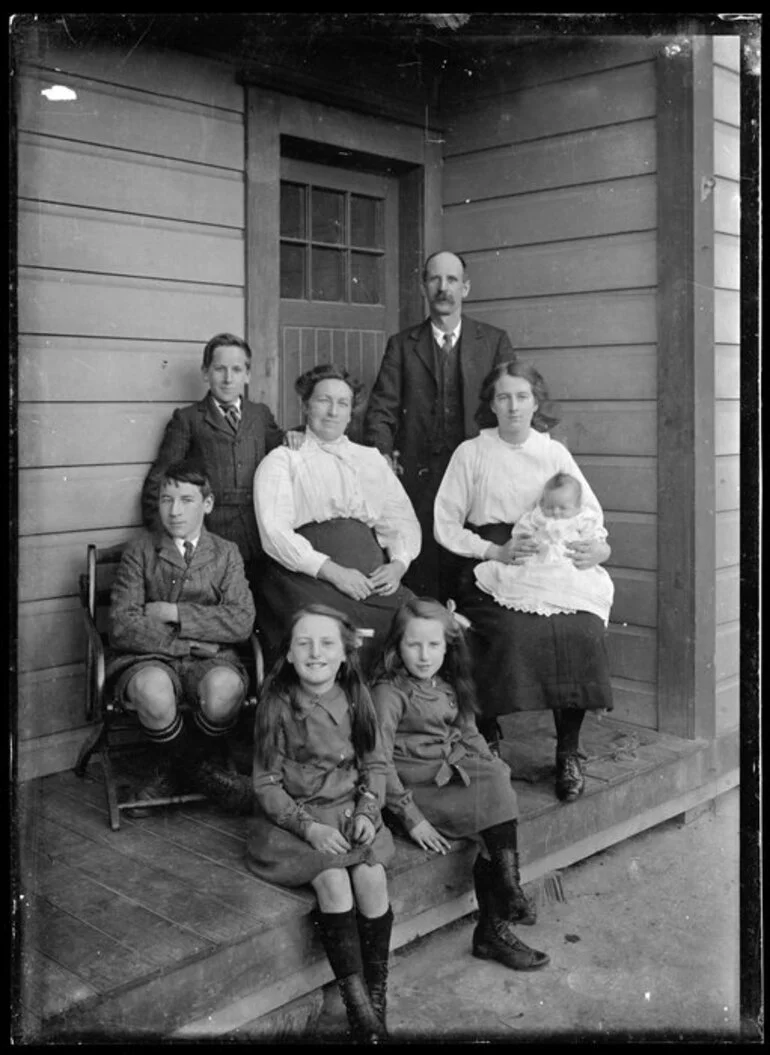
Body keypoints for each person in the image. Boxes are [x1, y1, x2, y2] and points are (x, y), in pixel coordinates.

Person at [434, 362, 614, 804]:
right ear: (490, 404)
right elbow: (445, 523)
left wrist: (599, 551)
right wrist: (493, 552)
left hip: (553, 561)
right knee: (507, 631)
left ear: (536, 402)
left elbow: (591, 514)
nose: (513, 407)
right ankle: (489, 740)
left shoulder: (553, 453)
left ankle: (568, 750)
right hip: (491, 559)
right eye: (503, 397)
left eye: (522, 397)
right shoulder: (471, 453)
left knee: (580, 628)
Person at [371, 597, 550, 973]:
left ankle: (501, 905)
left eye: (433, 645)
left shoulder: (448, 684)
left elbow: (468, 733)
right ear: (396, 646)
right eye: (413, 645)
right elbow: (378, 759)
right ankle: (500, 911)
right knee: (496, 809)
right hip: (414, 786)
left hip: (449, 773)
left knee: (498, 779)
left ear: (447, 646)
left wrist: (490, 766)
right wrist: (411, 817)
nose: (423, 655)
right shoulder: (390, 693)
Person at [246, 605, 394, 1041]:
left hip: (348, 807)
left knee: (371, 876)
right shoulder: (277, 704)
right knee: (333, 880)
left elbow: (376, 765)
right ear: (289, 655)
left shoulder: (355, 696)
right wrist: (308, 828)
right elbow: (266, 783)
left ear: (345, 653)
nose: (315, 653)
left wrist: (368, 810)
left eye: (327, 643)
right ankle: (357, 1007)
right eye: (303, 644)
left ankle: (377, 996)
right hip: (293, 817)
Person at [363, 250, 516, 600]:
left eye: (451, 280)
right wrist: (381, 457)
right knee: (425, 575)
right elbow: (381, 410)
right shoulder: (402, 346)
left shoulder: (493, 342)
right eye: (434, 279)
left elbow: (512, 399)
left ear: (466, 288)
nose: (442, 287)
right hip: (421, 478)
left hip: (478, 477)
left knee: (473, 575)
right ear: (423, 287)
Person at [107, 460, 257, 815]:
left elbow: (240, 621)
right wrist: (188, 643)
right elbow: (123, 624)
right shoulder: (140, 551)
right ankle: (203, 771)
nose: (174, 511)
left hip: (212, 660)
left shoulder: (226, 553)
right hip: (148, 657)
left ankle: (173, 768)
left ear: (207, 504)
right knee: (152, 691)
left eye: (186, 500)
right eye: (166, 500)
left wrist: (174, 614)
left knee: (225, 689)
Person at [253, 363, 420, 674]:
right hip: (305, 578)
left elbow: (400, 520)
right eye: (323, 401)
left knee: (418, 622)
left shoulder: (369, 459)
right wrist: (333, 572)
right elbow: (275, 533)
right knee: (328, 631)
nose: (332, 412)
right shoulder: (283, 460)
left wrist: (398, 564)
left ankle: (397, 712)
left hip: (370, 579)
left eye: (342, 403)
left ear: (350, 413)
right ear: (306, 406)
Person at [142, 332, 284, 597]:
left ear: (248, 375)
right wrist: (170, 541)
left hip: (259, 535)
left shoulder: (260, 415)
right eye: (220, 369)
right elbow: (157, 483)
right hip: (211, 535)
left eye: (236, 369)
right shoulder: (188, 419)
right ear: (206, 373)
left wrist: (296, 437)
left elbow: (285, 458)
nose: (228, 378)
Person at [474, 471, 615, 626]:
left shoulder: (582, 518)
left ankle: (566, 600)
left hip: (568, 561)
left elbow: (594, 537)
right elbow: (522, 530)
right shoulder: (537, 516)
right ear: (543, 503)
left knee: (575, 582)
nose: (555, 512)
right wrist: (526, 538)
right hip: (540, 558)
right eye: (550, 507)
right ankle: (539, 599)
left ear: (577, 506)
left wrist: (593, 545)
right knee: (529, 579)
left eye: (563, 508)